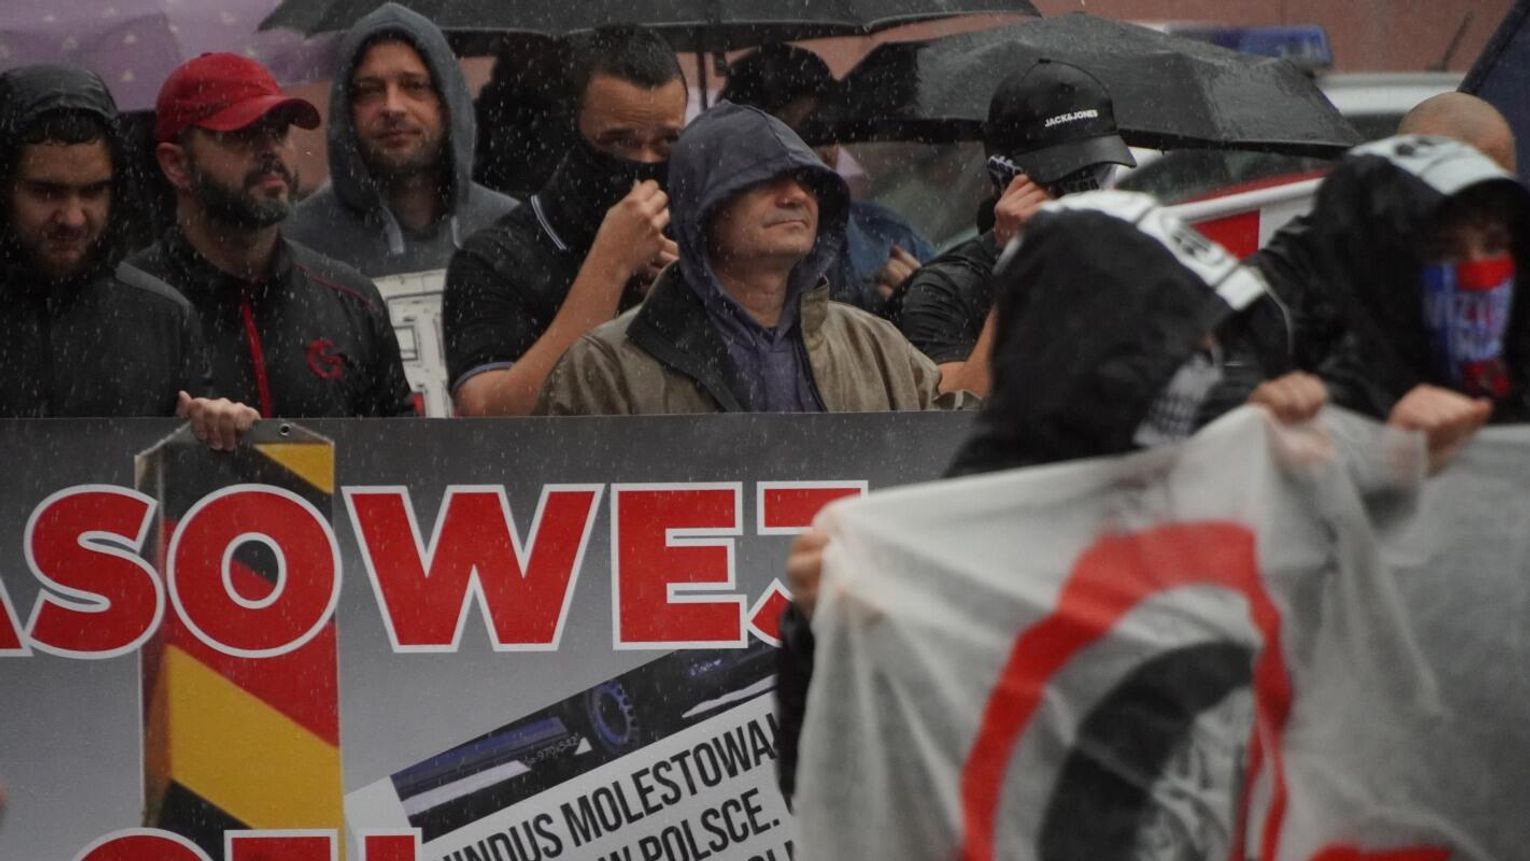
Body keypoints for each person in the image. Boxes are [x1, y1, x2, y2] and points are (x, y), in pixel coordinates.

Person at [777, 190, 1321, 801]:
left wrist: (1335, 468)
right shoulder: (932, 557)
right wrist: (821, 638)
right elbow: (836, 790)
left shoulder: (1227, 498)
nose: (1207, 367)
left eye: (1217, 344)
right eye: (1183, 341)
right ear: (1083, 342)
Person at [535, 102, 950, 415]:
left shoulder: (876, 347)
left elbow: (960, 453)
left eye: (808, 181)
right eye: (766, 181)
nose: (795, 196)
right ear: (704, 210)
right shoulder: (605, 367)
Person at [130, 53, 414, 419]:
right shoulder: (127, 308)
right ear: (176, 164)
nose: (269, 150)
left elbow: (405, 446)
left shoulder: (351, 300)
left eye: (279, 131)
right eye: (241, 134)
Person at [0, 63, 255, 446]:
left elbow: (188, 471)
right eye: (47, 192)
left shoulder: (164, 318)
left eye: (93, 191)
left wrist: (222, 429)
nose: (72, 218)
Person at [443, 24, 685, 416]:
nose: (644, 163)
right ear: (570, 132)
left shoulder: (700, 240)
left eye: (666, 142)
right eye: (620, 141)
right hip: (559, 458)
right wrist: (609, 266)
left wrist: (693, 302)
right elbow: (487, 420)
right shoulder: (495, 259)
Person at [896, 60, 1136, 389]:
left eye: (1102, 172)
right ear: (1009, 180)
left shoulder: (1132, 267)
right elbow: (957, 406)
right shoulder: (947, 289)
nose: (1093, 194)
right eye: (1070, 179)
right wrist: (1024, 268)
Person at [1292, 135, 1528, 468]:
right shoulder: (1329, 414)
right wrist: (1392, 465)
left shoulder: (1521, 371)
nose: (1478, 274)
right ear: (1385, 269)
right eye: (1444, 251)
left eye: (1494, 245)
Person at [1252, 91, 1518, 376]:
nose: (1478, 216)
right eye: (1457, 189)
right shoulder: (1307, 263)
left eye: (1494, 192)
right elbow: (1237, 358)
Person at [286, 3, 517, 277]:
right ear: (346, 111)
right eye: (370, 91)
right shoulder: (296, 245)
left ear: (446, 103)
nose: (392, 107)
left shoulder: (509, 229)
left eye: (414, 86)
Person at [719, 42, 936, 315]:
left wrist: (921, 313)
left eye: (827, 127)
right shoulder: (719, 253)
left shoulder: (893, 238)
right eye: (802, 135)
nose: (826, 147)